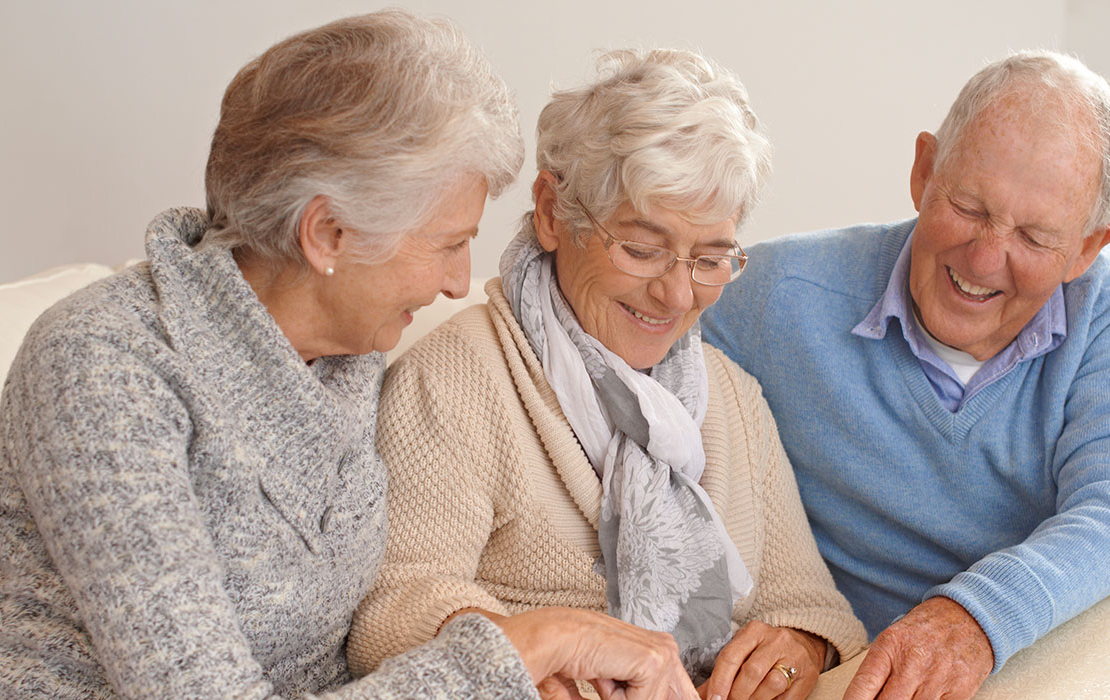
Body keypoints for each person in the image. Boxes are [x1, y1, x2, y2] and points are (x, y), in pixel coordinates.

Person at [0, 12, 701, 700]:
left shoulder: (345, 357)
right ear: (327, 234)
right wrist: (520, 648)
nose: (454, 282)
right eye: (447, 244)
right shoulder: (102, 366)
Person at [349, 49, 867, 700]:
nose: (678, 295)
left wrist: (796, 647)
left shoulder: (733, 395)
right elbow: (390, 610)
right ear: (551, 212)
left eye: (710, 258)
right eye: (643, 250)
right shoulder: (458, 376)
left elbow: (811, 606)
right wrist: (541, 657)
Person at [701, 50, 1110, 700]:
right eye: (970, 207)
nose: (984, 260)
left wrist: (975, 618)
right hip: (853, 672)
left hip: (1037, 663)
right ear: (924, 171)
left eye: (1036, 238)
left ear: (1089, 248)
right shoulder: (785, 292)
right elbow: (609, 359)